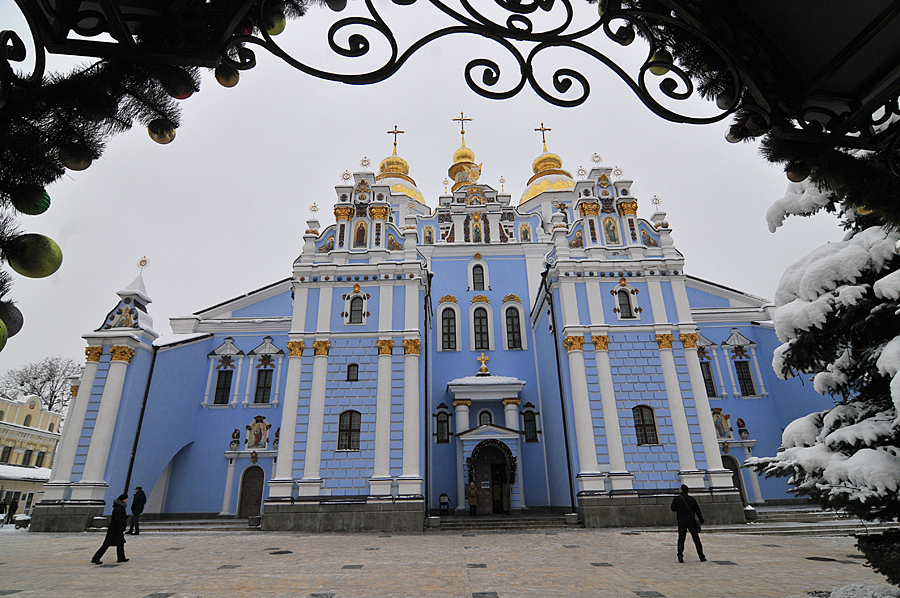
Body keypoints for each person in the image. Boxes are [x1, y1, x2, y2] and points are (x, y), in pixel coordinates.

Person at [670, 485, 706, 563]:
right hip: (691, 521)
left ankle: (680, 555)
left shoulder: (677, 499)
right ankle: (701, 556)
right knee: (696, 539)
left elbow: (673, 508)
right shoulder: (692, 499)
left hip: (682, 522)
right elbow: (697, 510)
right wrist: (701, 520)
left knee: (681, 539)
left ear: (681, 490)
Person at [91, 494, 129, 564]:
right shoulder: (119, 508)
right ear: (123, 499)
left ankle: (121, 557)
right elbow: (118, 519)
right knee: (106, 544)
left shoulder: (119, 507)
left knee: (120, 543)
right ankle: (96, 558)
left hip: (116, 528)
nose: (126, 500)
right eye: (126, 499)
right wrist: (121, 525)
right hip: (115, 529)